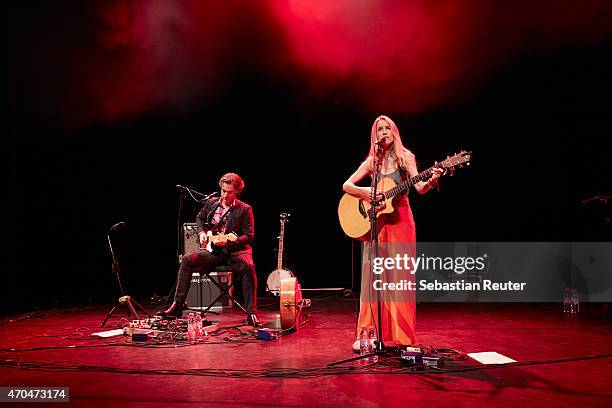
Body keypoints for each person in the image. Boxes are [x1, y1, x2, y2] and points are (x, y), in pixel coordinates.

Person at [342, 115, 444, 350]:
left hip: (400, 221)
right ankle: (368, 333)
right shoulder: (372, 162)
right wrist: (366, 193)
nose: (384, 132)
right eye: (380, 129)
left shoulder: (406, 158)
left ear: (394, 132)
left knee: (399, 279)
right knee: (372, 277)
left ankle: (404, 337)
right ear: (375, 136)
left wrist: (432, 180)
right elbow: (346, 185)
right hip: (376, 224)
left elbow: (419, 188)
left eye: (388, 128)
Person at [162, 173, 259, 327]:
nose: (225, 195)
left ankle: (251, 313)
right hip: (215, 251)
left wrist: (228, 242)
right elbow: (200, 217)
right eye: (223, 191)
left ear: (237, 192)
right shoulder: (212, 203)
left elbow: (249, 236)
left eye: (229, 192)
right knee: (187, 259)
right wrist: (201, 233)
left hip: (236, 251)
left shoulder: (245, 209)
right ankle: (177, 307)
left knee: (249, 267)